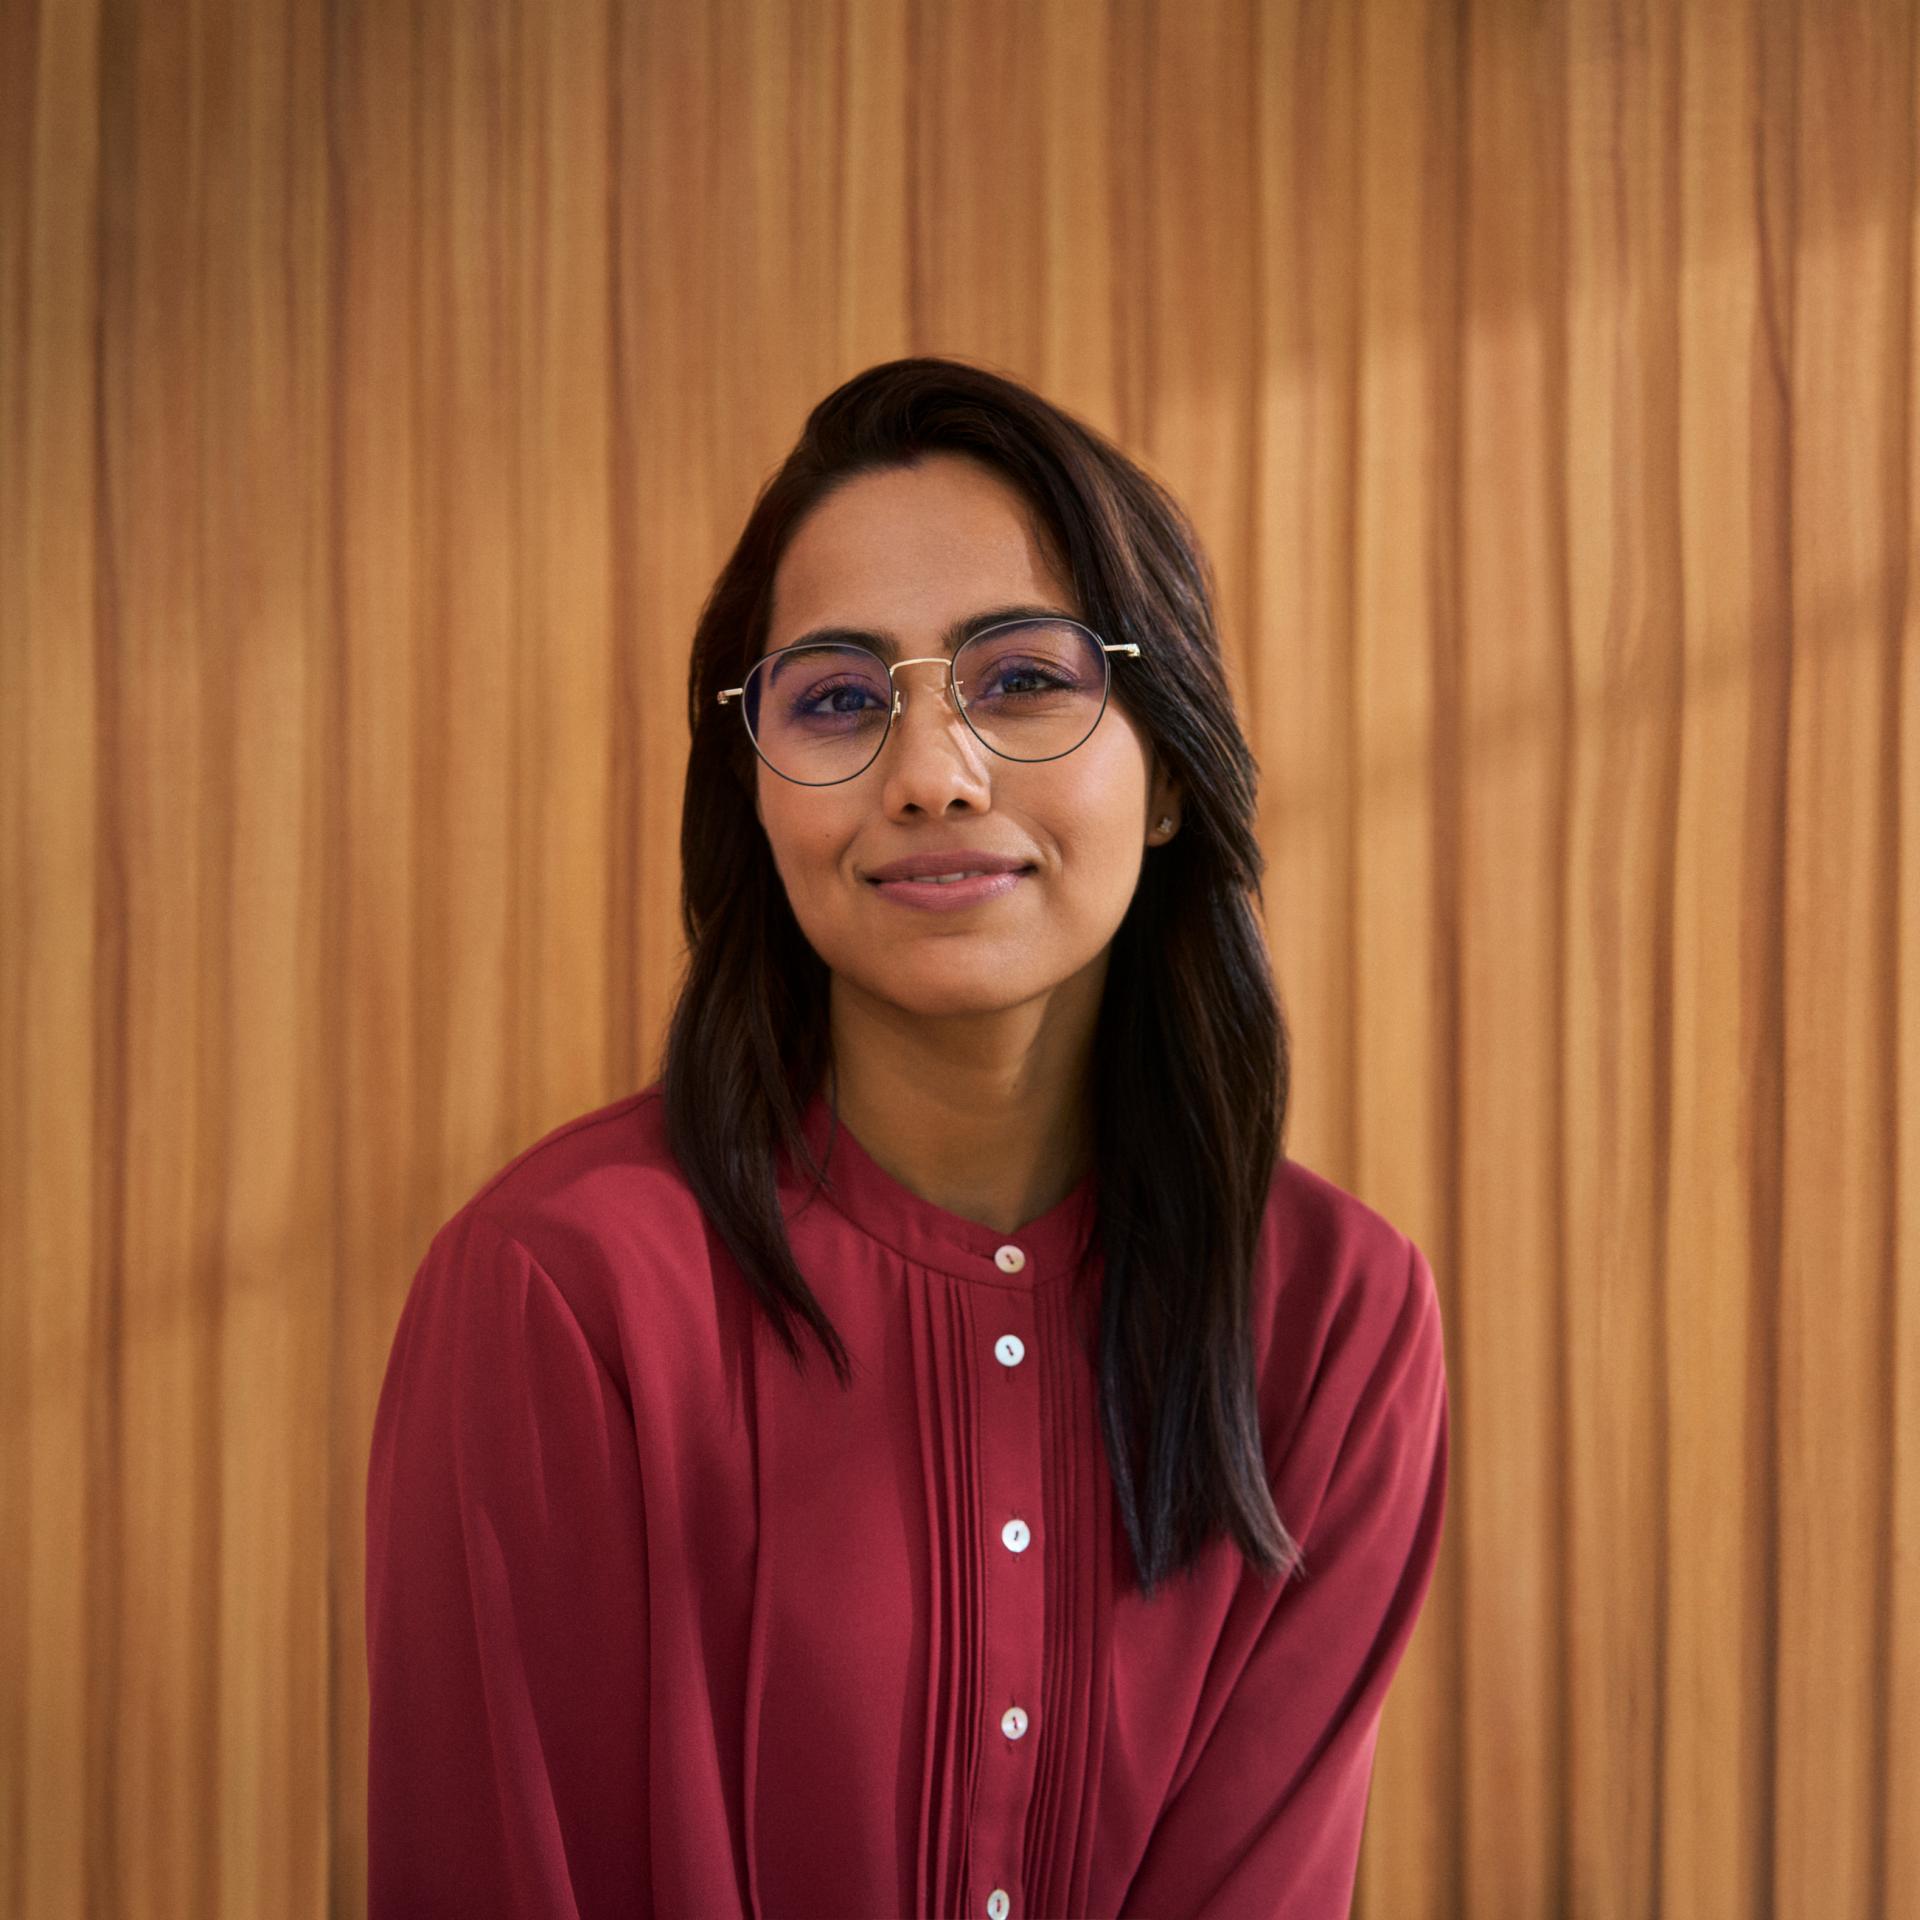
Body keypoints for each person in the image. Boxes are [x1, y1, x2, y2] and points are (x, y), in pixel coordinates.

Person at [364, 356, 1449, 1918]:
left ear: (1166, 772)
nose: (933, 777)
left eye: (1024, 681)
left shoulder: (1337, 1321)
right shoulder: (557, 1296)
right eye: (836, 701)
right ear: (756, 794)